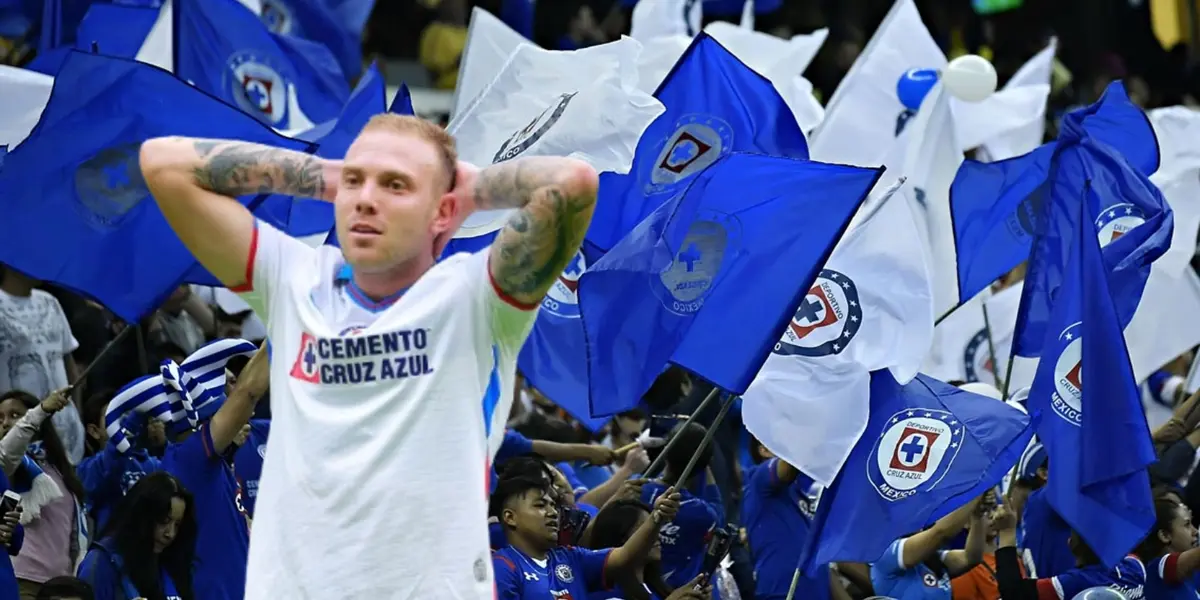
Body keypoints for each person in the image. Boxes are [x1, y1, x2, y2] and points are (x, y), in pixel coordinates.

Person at [140, 114, 599, 598]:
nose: (366, 198)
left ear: (442, 210)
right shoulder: (297, 280)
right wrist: (328, 178)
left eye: (396, 185)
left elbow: (571, 184)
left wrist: (468, 192)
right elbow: (163, 163)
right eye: (355, 181)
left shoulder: (474, 298)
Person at [490, 470, 684, 599]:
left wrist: (657, 517)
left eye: (553, 505)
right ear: (510, 517)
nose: (552, 512)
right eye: (540, 505)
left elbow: (625, 555)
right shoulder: (503, 568)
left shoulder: (571, 557)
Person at [0, 390, 86, 600]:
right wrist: (42, 410)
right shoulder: (9, 466)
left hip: (61, 584)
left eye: (14, 415)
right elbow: (10, 449)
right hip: (22, 580)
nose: (5, 423)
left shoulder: (58, 468)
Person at [77, 472, 196, 600]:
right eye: (164, 521)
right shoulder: (101, 564)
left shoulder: (170, 565)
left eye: (177, 525)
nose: (170, 534)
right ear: (142, 516)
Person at [992, 504, 1146, 599]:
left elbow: (1014, 592)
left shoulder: (1075, 583)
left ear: (1070, 544)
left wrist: (1006, 532)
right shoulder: (1135, 566)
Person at [870, 494, 992, 600]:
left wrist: (978, 515)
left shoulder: (932, 559)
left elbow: (971, 558)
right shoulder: (886, 554)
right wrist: (975, 495)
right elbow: (940, 533)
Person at [1135, 496, 1199, 598]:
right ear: (1165, 535)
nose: (1195, 531)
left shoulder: (1193, 574)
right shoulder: (1156, 570)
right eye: (1187, 525)